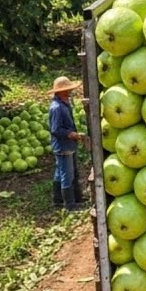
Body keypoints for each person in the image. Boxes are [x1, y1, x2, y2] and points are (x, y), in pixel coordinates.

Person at [48, 76, 85, 210]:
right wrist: (71, 134)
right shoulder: (57, 107)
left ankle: (58, 200)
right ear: (62, 92)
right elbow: (55, 129)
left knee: (62, 172)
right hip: (63, 146)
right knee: (67, 175)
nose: (70, 93)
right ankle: (70, 205)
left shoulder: (64, 104)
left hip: (68, 145)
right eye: (68, 90)